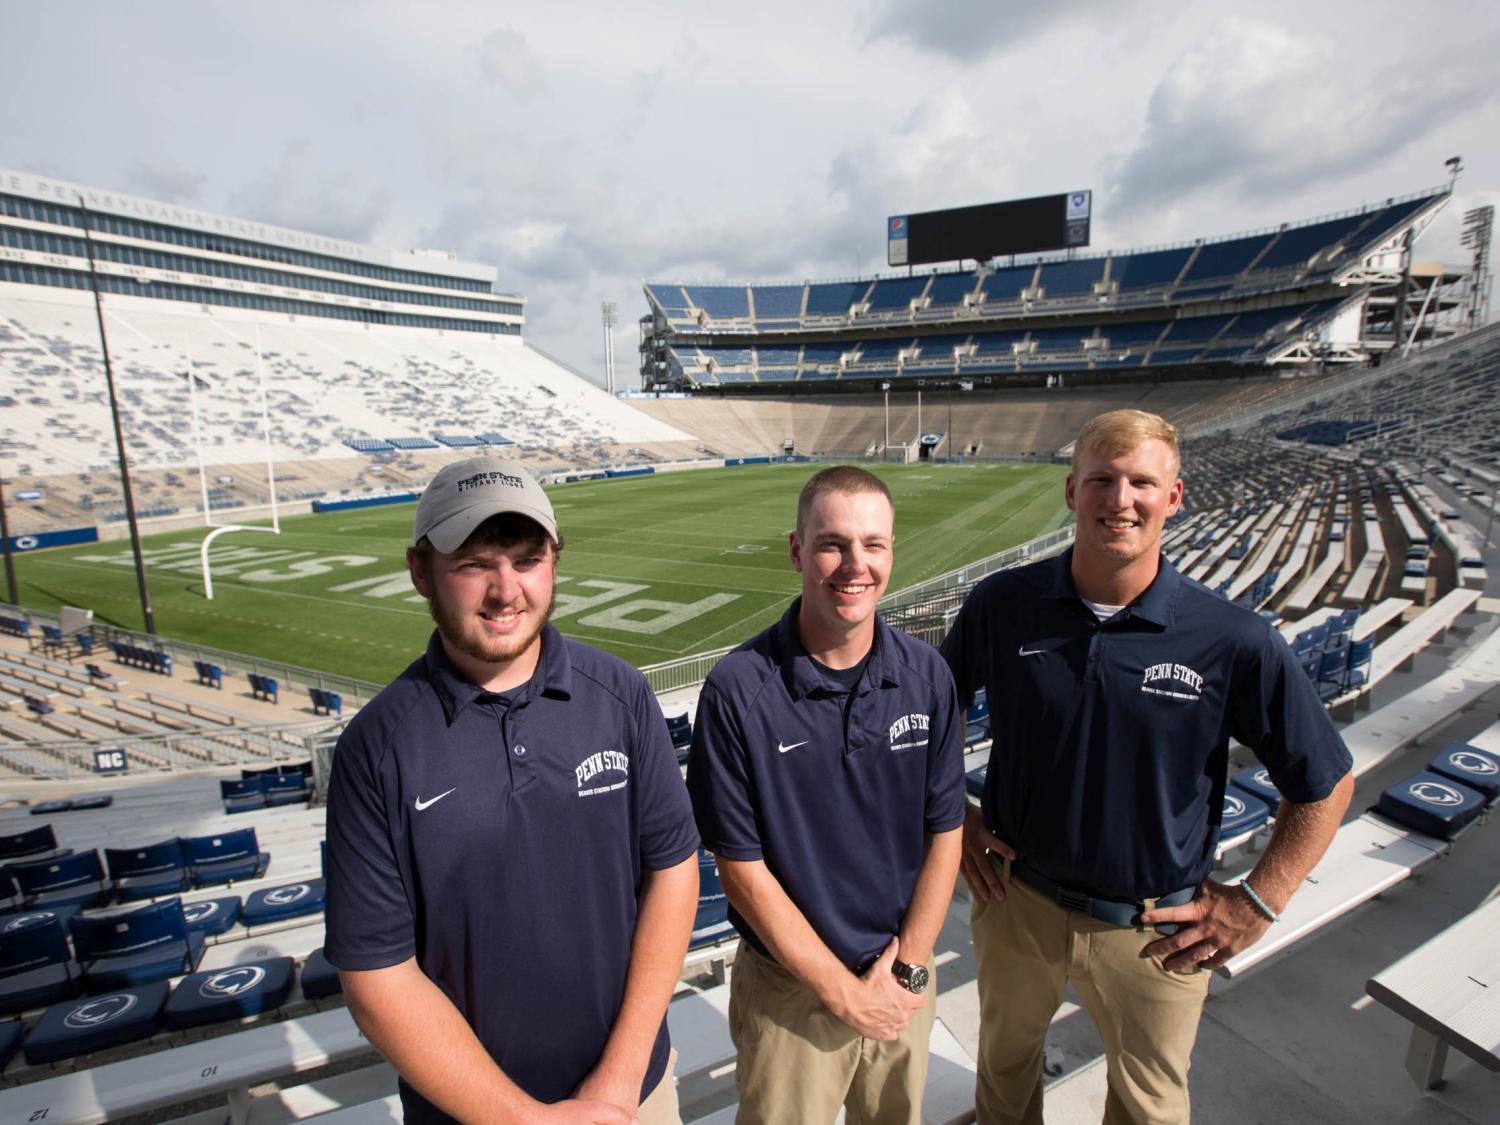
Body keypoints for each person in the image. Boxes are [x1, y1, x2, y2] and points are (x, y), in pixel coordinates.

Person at [942, 409, 1354, 1124]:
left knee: (1149, 1109)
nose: (1119, 499)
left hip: (1155, 929)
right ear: (1071, 491)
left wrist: (1257, 900)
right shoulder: (1002, 604)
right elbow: (926, 715)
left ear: (1175, 495)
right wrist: (955, 814)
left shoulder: (1234, 638)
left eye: (1140, 481)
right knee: (1003, 1077)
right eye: (1102, 479)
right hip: (1017, 903)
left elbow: (1325, 780)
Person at [323, 456, 700, 1124]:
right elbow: (377, 977)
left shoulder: (621, 696)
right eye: (474, 562)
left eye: (526, 559)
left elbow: (672, 871)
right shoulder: (376, 749)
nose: (506, 590)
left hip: (634, 1095)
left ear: (554, 560)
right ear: (420, 570)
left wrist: (617, 1079)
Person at [688, 465, 965, 1124]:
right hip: (790, 992)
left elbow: (945, 834)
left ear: (893, 551)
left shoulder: (927, 674)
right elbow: (742, 873)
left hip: (901, 978)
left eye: (874, 544)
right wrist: (843, 992)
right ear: (796, 550)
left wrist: (906, 973)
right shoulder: (736, 690)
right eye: (832, 542)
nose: (855, 564)